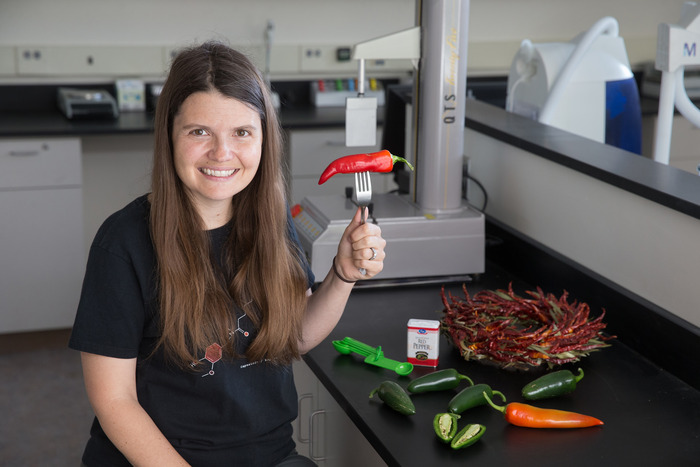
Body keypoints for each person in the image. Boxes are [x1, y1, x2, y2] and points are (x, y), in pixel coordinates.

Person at [69, 41, 385, 467]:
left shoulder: (272, 223)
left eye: (241, 132)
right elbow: (114, 401)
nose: (222, 153)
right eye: (199, 132)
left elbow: (290, 338)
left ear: (263, 139)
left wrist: (342, 275)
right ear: (169, 136)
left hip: (269, 456)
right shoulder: (123, 243)